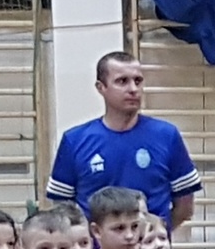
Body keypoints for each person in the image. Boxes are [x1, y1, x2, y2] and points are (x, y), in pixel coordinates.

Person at [46, 51, 202, 229]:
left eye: (138, 81)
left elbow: (185, 207)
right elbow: (62, 210)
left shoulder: (167, 135)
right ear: (101, 87)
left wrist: (156, 233)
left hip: (150, 246)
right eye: (122, 81)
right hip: (94, 247)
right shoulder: (74, 141)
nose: (133, 89)